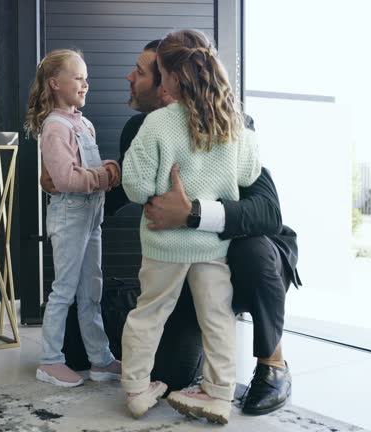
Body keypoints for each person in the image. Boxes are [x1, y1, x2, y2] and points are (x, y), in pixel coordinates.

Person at [41, 41, 299, 416]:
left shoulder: (225, 122)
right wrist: (69, 181)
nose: (130, 77)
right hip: (208, 253)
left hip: (233, 249)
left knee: (250, 251)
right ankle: (219, 393)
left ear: (168, 81)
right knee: (191, 351)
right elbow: (120, 196)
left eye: (143, 71)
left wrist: (192, 212)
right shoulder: (153, 126)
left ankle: (272, 362)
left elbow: (266, 211)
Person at [119, 29, 261, 424]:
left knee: (148, 313)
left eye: (161, 74)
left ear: (174, 76)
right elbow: (249, 173)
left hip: (164, 244)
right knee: (218, 317)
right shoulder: (233, 122)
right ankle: (218, 393)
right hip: (212, 245)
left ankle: (135, 388)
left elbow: (136, 188)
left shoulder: (159, 123)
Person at [24, 49, 123, 388]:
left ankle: (100, 359)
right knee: (64, 290)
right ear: (55, 84)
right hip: (69, 215)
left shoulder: (85, 123)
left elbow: (81, 172)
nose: (86, 83)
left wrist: (100, 175)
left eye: (85, 77)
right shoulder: (54, 127)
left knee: (90, 290)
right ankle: (50, 360)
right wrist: (106, 175)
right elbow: (65, 179)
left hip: (92, 216)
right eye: (78, 77)